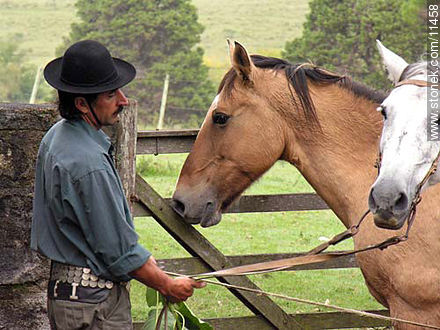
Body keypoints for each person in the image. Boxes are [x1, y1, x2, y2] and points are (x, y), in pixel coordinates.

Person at [31, 40, 205, 330]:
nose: (123, 100)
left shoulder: (56, 137)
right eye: (111, 94)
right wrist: (166, 284)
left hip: (71, 301)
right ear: (82, 103)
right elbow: (117, 251)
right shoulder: (89, 164)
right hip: (94, 309)